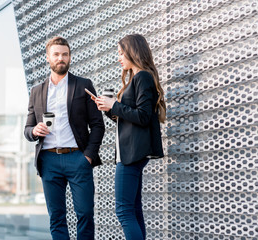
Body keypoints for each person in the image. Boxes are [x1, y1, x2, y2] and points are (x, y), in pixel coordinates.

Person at [24, 36, 105, 239]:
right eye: (57, 54)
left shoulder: (83, 85)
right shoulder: (36, 92)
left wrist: (88, 156)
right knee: (57, 217)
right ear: (48, 58)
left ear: (69, 57)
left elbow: (97, 125)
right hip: (48, 160)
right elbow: (27, 128)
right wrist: (34, 131)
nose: (61, 58)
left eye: (65, 54)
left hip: (78, 158)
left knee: (85, 213)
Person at [95, 34, 166, 240]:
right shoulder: (137, 79)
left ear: (133, 52)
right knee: (133, 210)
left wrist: (115, 105)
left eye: (121, 53)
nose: (119, 58)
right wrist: (109, 110)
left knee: (124, 211)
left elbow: (143, 116)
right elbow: (129, 120)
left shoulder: (142, 77)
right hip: (130, 152)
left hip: (132, 154)